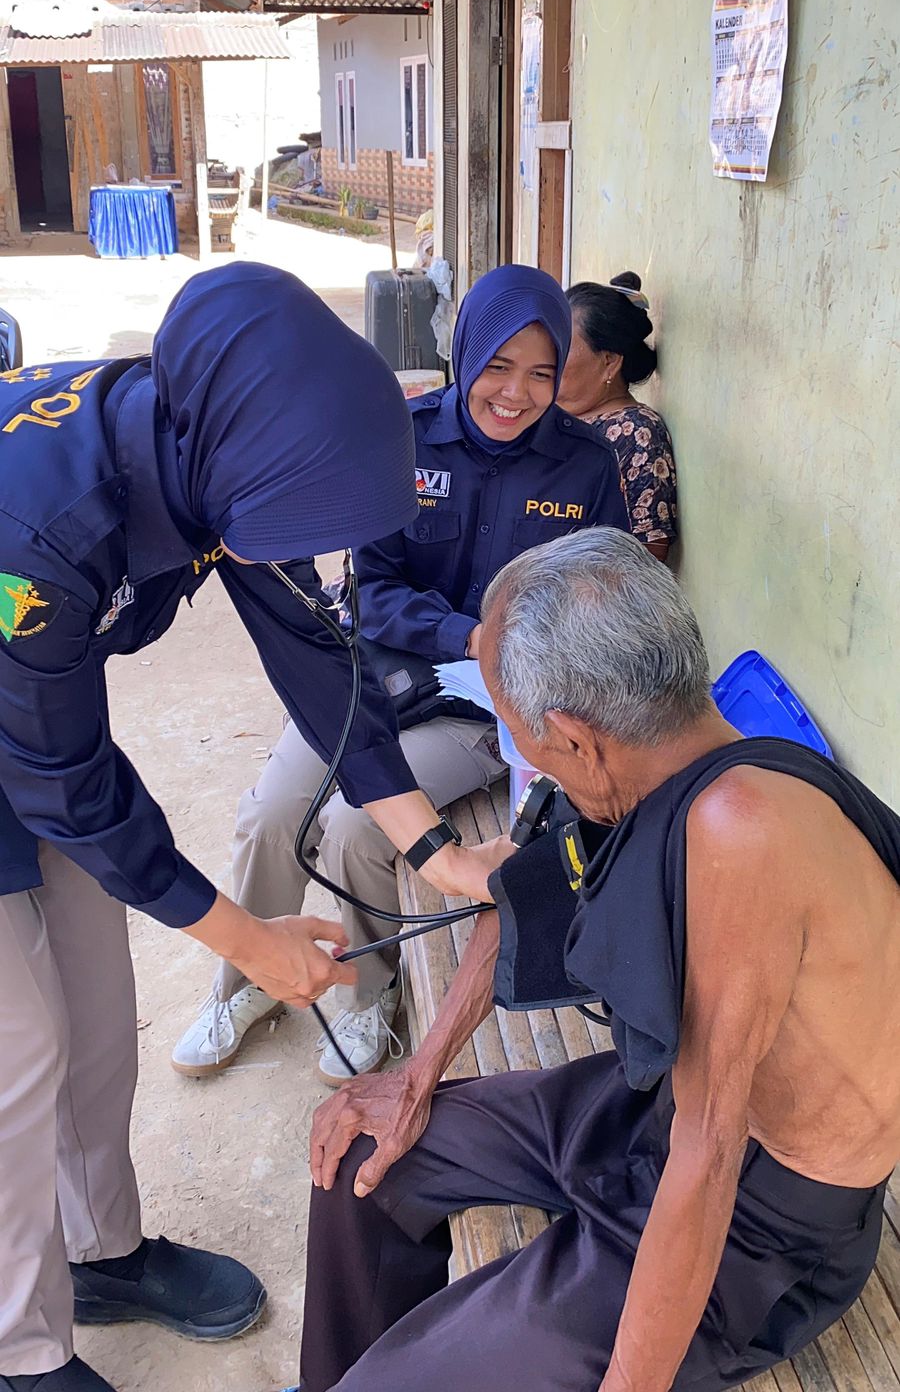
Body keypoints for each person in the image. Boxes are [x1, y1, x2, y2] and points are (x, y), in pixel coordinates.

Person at [0, 262, 500, 1392]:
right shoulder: (37, 527)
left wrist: (433, 846)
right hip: (23, 715)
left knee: (94, 1007)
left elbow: (316, 662)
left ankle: (100, 1253)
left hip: (31, 711)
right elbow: (70, 790)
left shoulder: (210, 447)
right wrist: (247, 939)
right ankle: (20, 1351)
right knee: (15, 1049)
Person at [300, 529, 900, 1392]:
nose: (516, 751)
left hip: (766, 1223)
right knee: (360, 1153)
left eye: (513, 731)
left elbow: (711, 1148)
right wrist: (416, 1074)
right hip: (652, 1112)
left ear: (576, 738)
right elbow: (522, 894)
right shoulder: (649, 749)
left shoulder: (741, 834)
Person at [173, 265, 629, 1084]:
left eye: (540, 373)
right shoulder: (406, 436)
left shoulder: (585, 468)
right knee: (272, 814)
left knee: (357, 828)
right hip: (369, 677)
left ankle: (370, 996)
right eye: (498, 365)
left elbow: (597, 595)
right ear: (465, 354)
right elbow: (372, 590)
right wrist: (467, 632)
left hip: (485, 708)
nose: (516, 394)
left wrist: (511, 662)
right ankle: (244, 984)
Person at [558, 272, 677, 560]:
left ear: (609, 361)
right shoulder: (549, 415)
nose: (548, 358)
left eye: (562, 346)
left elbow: (647, 560)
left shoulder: (635, 434)